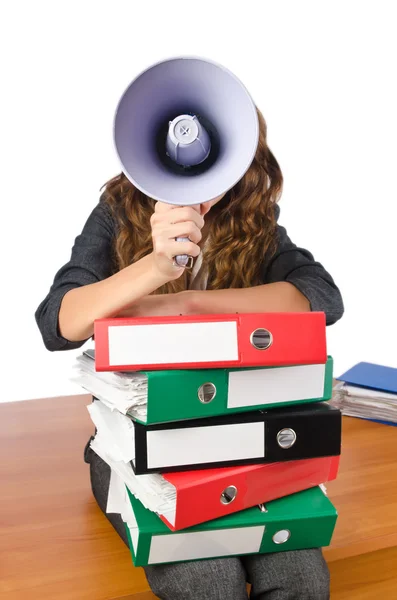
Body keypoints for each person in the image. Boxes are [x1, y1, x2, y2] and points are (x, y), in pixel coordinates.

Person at [35, 107, 343, 600]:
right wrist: (155, 267)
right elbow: (59, 322)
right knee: (210, 581)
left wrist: (186, 303)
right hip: (139, 446)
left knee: (301, 579)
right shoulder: (117, 211)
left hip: (237, 438)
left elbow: (321, 298)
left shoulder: (255, 222)